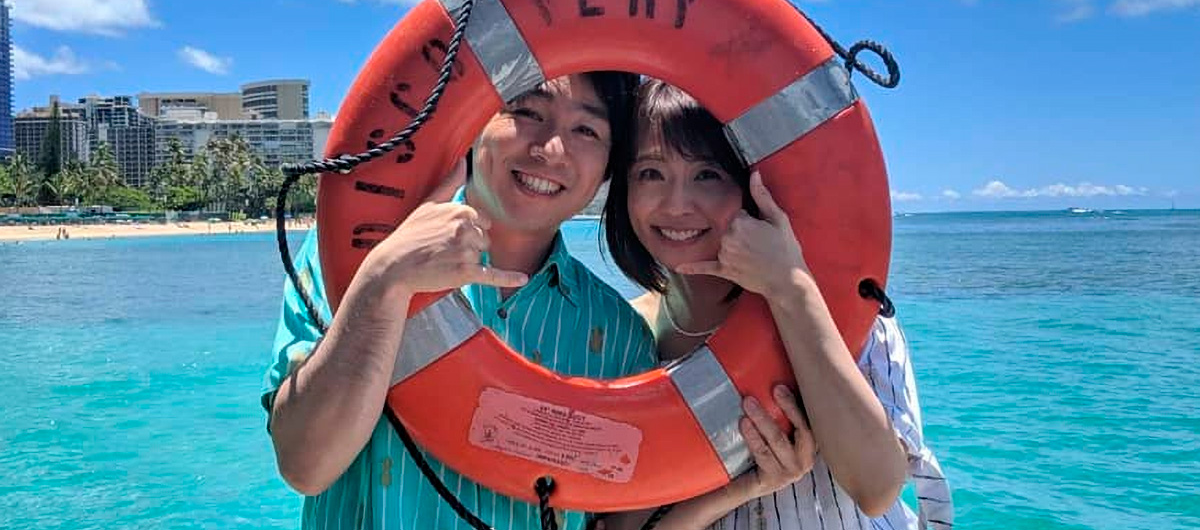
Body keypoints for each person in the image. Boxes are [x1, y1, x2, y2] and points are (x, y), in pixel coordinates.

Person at [262, 73, 660, 530]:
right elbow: (305, 467)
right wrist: (384, 282)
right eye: (527, 112)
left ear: (609, 168)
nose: (550, 149)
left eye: (586, 130)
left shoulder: (621, 339)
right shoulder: (352, 253)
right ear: (472, 121)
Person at [599, 79, 953, 530]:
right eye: (651, 173)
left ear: (751, 187)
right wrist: (744, 487)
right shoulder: (621, 336)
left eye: (708, 174)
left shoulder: (843, 312)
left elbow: (878, 488)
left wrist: (790, 288)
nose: (677, 204)